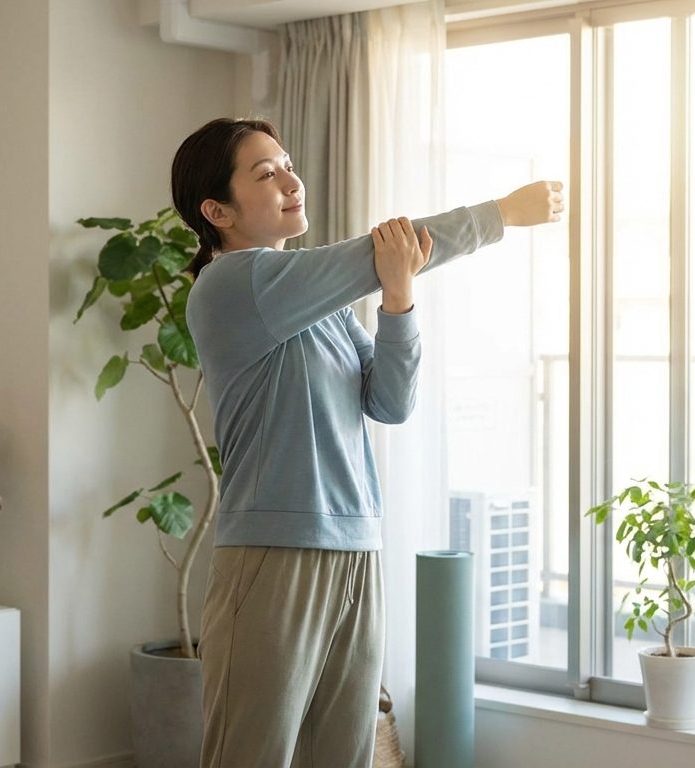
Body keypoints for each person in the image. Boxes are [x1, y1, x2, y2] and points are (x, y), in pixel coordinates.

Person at [170, 117, 563, 768]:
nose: (291, 181)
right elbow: (370, 256)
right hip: (274, 554)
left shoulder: (317, 305)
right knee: (252, 753)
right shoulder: (230, 286)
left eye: (289, 164)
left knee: (343, 754)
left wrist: (399, 298)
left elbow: (390, 401)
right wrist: (500, 215)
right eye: (265, 174)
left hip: (355, 547)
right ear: (218, 211)